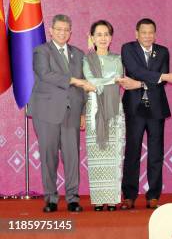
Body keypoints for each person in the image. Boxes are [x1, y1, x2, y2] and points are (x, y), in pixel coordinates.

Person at [120, 18, 172, 209]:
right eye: (143, 32)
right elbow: (135, 70)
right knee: (132, 150)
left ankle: (153, 196)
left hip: (156, 107)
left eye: (151, 32)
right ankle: (129, 195)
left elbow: (161, 81)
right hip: (134, 107)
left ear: (155, 34)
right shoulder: (127, 49)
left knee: (156, 152)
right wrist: (159, 77)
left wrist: (141, 83)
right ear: (136, 33)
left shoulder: (163, 51)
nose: (147, 36)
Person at [29, 14, 94, 213]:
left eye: (66, 30)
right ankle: (50, 198)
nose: (62, 33)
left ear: (70, 32)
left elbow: (85, 85)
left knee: (72, 156)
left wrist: (83, 111)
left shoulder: (78, 53)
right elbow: (45, 74)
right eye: (58, 29)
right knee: (49, 156)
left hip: (72, 112)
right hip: (46, 111)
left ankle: (73, 198)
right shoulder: (41, 51)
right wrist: (74, 80)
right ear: (50, 30)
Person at [83, 20, 140, 211]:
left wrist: (106, 81)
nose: (103, 38)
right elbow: (90, 80)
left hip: (115, 109)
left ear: (111, 37)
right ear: (92, 38)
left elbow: (118, 78)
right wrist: (109, 80)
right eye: (98, 34)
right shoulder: (86, 59)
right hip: (94, 111)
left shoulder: (117, 59)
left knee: (114, 155)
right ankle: (98, 200)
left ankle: (113, 198)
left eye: (106, 34)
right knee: (96, 155)